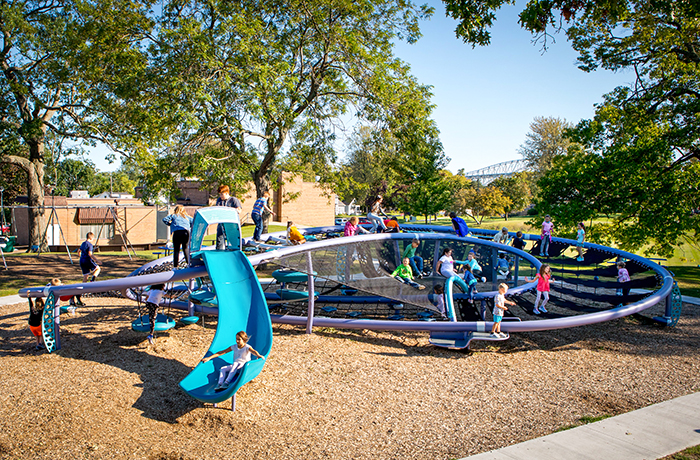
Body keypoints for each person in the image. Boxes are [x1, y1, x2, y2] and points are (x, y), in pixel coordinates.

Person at [215, 185, 243, 250]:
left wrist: (233, 211)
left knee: (233, 241)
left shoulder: (233, 200)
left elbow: (239, 210)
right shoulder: (219, 200)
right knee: (220, 240)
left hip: (231, 225)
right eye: (220, 194)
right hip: (222, 224)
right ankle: (219, 254)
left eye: (222, 194)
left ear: (226, 193)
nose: (220, 196)